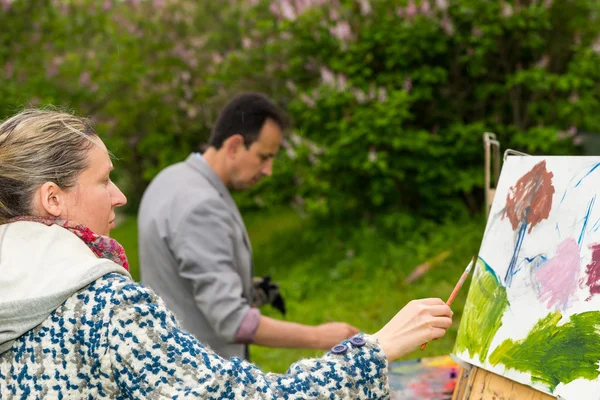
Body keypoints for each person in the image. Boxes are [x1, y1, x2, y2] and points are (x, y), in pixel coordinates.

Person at [0, 108, 453, 398]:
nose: (119, 197)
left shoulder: (172, 181)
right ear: (53, 199)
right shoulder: (105, 308)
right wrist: (372, 348)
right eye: (103, 181)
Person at [138, 92, 360, 360]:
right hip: (203, 375)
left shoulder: (170, 179)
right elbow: (233, 320)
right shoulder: (201, 205)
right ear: (233, 146)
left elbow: (185, 274)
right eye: (264, 157)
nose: (268, 170)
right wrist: (319, 336)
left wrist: (251, 287)